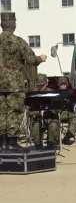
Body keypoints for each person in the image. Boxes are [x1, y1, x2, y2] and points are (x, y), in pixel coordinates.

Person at [0, 12, 47, 150]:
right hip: (14, 83)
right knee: (14, 111)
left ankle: (2, 143)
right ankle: (12, 143)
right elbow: (31, 59)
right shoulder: (18, 41)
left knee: (1, 112)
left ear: (2, 24)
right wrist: (41, 58)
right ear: (13, 24)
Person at [28, 74, 60, 150]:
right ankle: (38, 145)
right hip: (38, 118)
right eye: (38, 85)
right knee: (35, 126)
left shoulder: (52, 93)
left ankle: (50, 145)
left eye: (42, 85)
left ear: (46, 83)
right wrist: (36, 112)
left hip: (50, 117)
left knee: (53, 125)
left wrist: (51, 109)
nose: (40, 87)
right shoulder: (33, 93)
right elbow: (28, 110)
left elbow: (58, 109)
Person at [59, 77, 76, 145]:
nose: (63, 86)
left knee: (74, 119)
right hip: (60, 113)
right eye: (61, 84)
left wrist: (70, 100)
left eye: (64, 84)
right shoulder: (56, 93)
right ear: (59, 85)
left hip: (70, 113)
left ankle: (67, 136)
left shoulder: (70, 92)